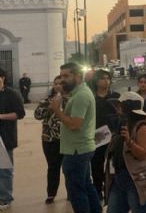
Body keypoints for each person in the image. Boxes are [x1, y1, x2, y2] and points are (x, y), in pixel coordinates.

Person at [51, 62, 101, 213]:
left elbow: (74, 124)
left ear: (78, 76)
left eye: (66, 76)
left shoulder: (81, 96)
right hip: (78, 149)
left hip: (76, 151)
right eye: (61, 76)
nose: (63, 80)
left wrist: (57, 111)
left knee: (76, 192)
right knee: (86, 186)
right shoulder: (77, 93)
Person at [105, 95, 146, 212]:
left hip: (138, 181)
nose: (117, 110)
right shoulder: (122, 126)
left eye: (119, 106)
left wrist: (129, 141)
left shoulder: (143, 128)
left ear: (127, 107)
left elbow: (142, 155)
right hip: (119, 179)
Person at [34, 76, 66, 205]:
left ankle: (71, 192)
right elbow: (37, 115)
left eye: (61, 83)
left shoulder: (70, 100)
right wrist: (50, 107)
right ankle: (51, 194)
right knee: (53, 167)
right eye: (56, 83)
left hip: (66, 139)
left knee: (68, 167)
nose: (58, 86)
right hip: (49, 139)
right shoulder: (46, 101)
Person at [92, 69, 120, 202]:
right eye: (102, 78)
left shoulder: (116, 96)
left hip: (113, 136)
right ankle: (97, 191)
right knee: (96, 164)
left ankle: (111, 191)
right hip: (96, 136)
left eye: (108, 78)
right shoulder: (91, 97)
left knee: (113, 165)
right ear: (96, 81)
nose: (106, 81)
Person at [0, 67, 25, 211]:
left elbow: (20, 113)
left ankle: (5, 197)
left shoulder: (12, 94)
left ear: (3, 78)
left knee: (4, 169)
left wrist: (1, 116)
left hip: (4, 137)